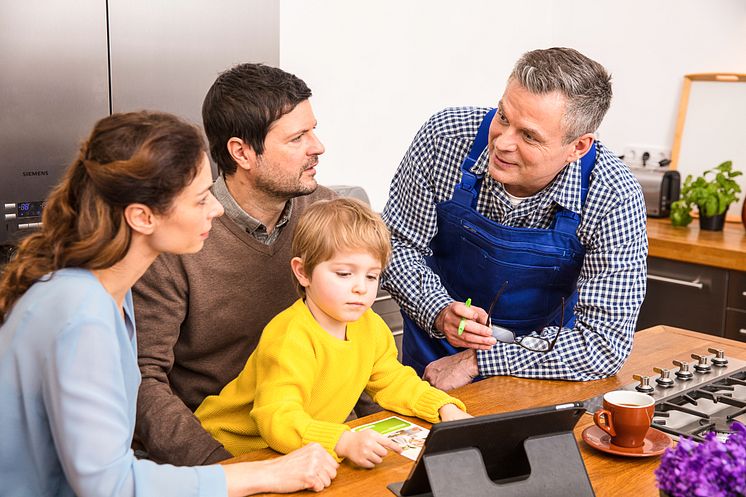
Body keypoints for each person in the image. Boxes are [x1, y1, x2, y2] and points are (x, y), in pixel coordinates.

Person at [0, 111, 338, 497]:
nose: (216, 208)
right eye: (199, 200)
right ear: (142, 217)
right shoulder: (81, 315)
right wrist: (264, 474)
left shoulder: (108, 288)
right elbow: (109, 485)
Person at [381, 47, 648, 390]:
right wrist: (438, 309)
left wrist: (481, 358)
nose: (503, 143)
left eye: (529, 136)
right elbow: (396, 245)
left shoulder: (612, 194)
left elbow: (603, 345)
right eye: (504, 117)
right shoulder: (444, 137)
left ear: (578, 147)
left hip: (543, 366)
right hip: (432, 358)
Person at [132, 64, 338, 466]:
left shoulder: (329, 213)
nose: (318, 146)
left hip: (321, 437)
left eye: (312, 129)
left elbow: (357, 336)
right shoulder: (177, 240)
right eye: (298, 137)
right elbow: (143, 381)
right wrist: (227, 471)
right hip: (222, 448)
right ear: (241, 152)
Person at [194, 198, 470, 468]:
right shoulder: (290, 337)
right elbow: (277, 419)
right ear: (303, 273)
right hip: (233, 451)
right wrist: (342, 442)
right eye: (344, 274)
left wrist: (443, 407)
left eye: (371, 276)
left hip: (297, 449)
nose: (361, 288)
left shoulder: (370, 326)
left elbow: (393, 381)